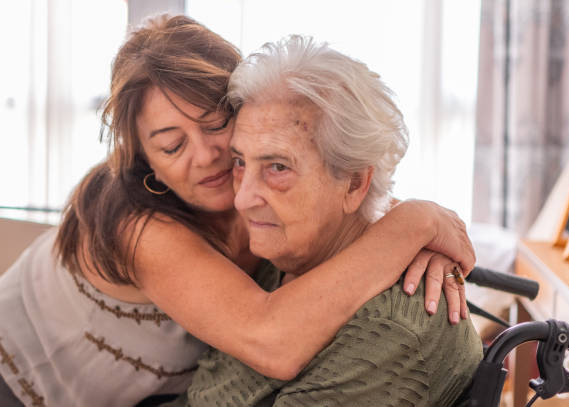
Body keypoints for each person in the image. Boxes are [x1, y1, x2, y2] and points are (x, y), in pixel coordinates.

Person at [0, 15, 475, 407]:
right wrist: (413, 226)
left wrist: (415, 226)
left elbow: (344, 185)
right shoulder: (139, 226)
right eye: (171, 145)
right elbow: (271, 339)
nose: (207, 156)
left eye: (216, 124)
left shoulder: (250, 191)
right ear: (145, 160)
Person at [173, 35, 482, 407]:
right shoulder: (282, 256)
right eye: (240, 162)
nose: (242, 198)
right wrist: (417, 221)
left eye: (277, 167)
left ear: (353, 183)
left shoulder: (393, 332)